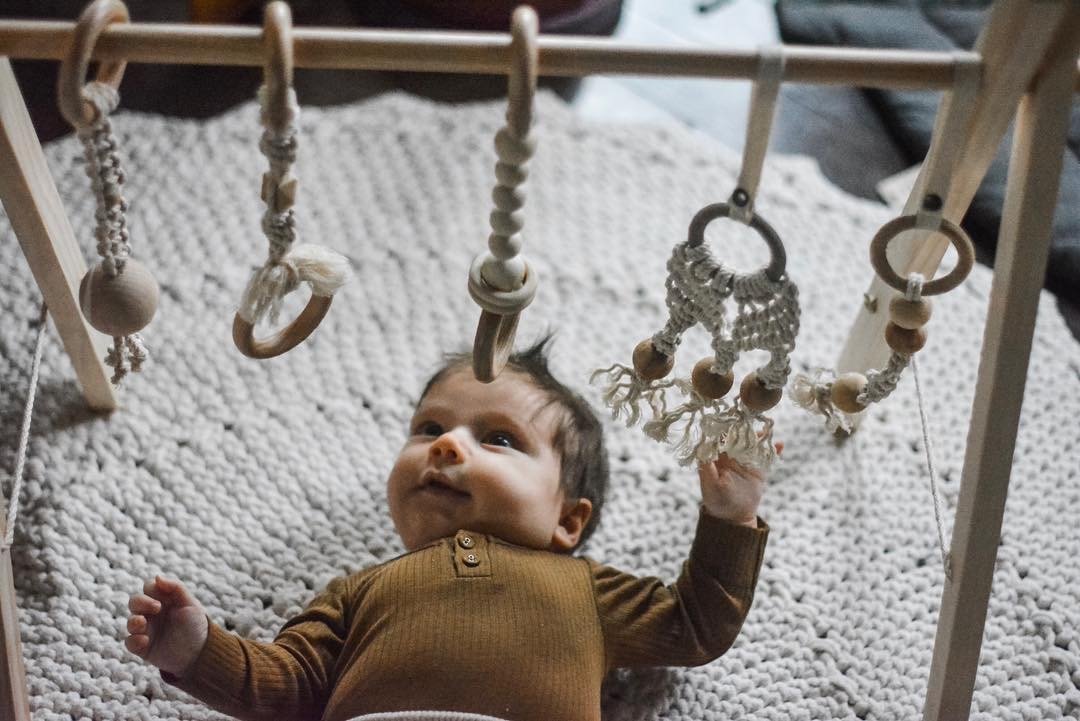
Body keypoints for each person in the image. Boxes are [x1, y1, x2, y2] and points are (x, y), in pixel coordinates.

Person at [124, 336, 774, 721]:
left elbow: (695, 623)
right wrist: (197, 650)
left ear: (568, 520)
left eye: (497, 438)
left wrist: (729, 518)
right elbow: (286, 686)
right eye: (430, 429)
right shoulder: (356, 591)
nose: (446, 446)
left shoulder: (586, 590)